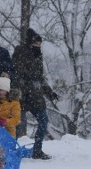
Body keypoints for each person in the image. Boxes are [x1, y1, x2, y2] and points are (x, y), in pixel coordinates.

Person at [12, 28, 59, 160]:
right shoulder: (20, 52)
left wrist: (50, 93)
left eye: (39, 44)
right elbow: (18, 74)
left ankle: (37, 150)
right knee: (16, 124)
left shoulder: (38, 56)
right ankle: (10, 150)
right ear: (29, 42)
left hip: (36, 97)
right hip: (21, 96)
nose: (37, 46)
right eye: (35, 43)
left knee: (43, 121)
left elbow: (40, 78)